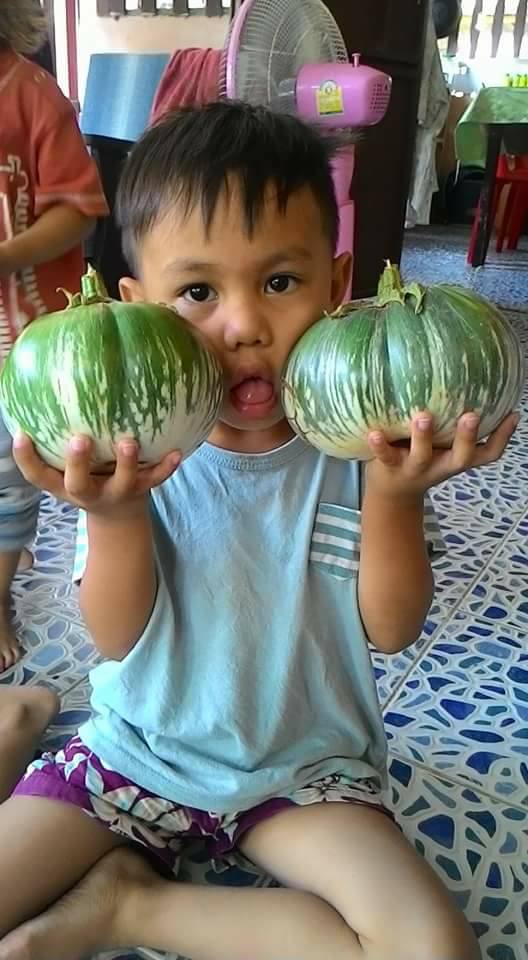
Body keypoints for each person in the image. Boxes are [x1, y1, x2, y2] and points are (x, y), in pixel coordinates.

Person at [0, 101, 518, 960]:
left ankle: (129, 906)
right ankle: (22, 716)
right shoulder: (137, 455)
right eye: (198, 292)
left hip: (306, 775)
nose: (243, 325)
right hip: (136, 757)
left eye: (279, 282)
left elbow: (392, 630)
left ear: (337, 284)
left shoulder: (362, 451)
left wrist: (396, 496)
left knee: (434, 951)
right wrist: (115, 514)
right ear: (136, 307)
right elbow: (117, 639)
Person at [0, 0, 108, 670]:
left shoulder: (33, 96)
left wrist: (8, 256)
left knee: (11, 473)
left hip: (27, 341)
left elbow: (80, 211)